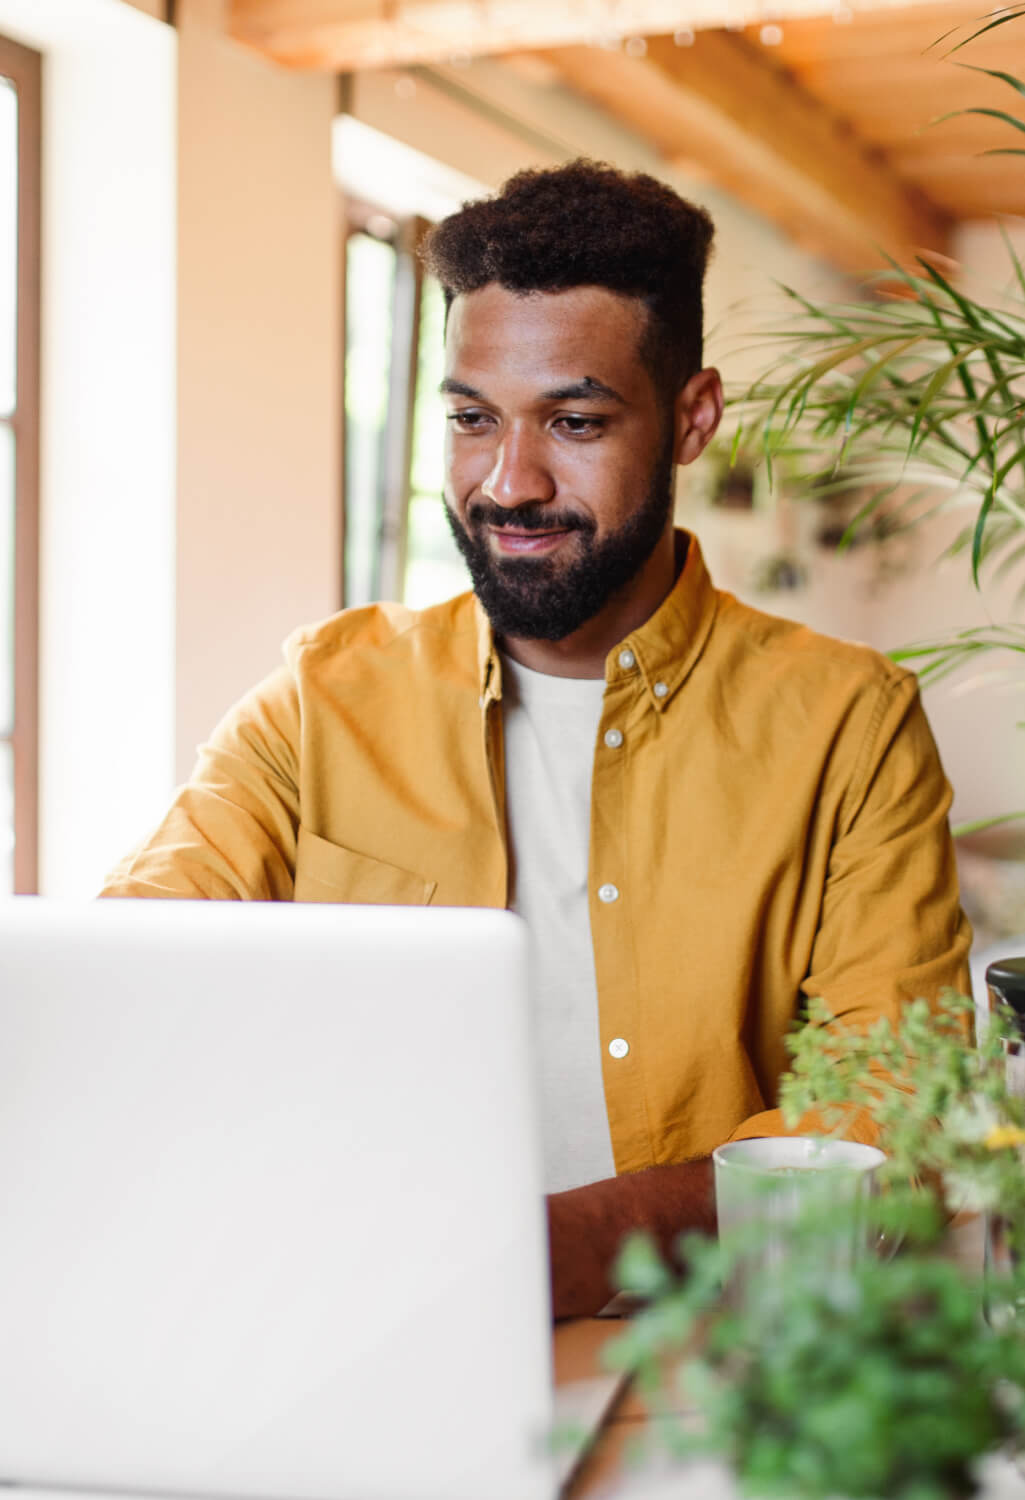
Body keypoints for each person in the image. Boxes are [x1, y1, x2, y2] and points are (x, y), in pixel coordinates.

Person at [102, 160, 971, 1319]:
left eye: (572, 421)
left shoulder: (846, 724)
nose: (507, 483)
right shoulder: (321, 701)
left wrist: (568, 1246)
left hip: (703, 1357)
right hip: (364, 1323)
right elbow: (127, 978)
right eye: (469, 418)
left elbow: (893, 1109)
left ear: (691, 418)